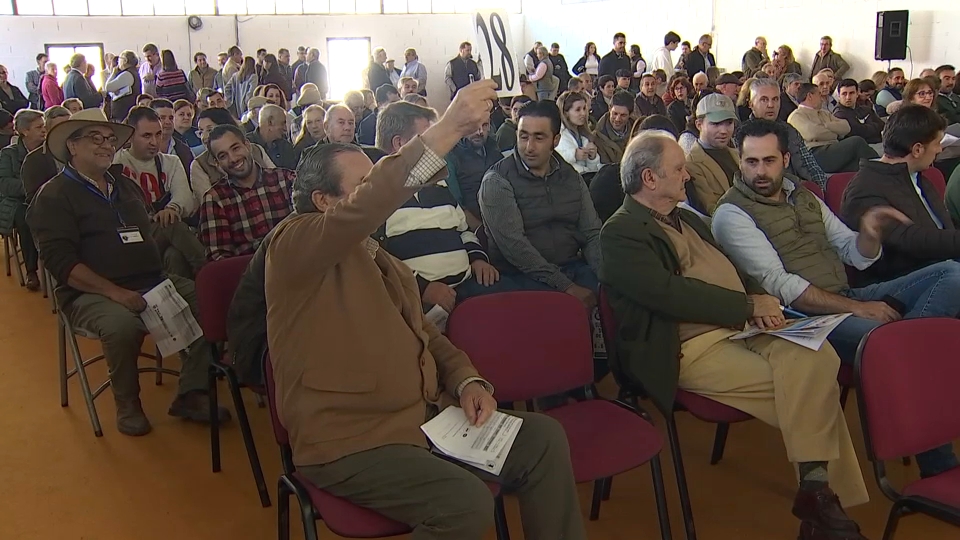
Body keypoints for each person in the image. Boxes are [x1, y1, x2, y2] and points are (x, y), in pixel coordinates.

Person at [265, 80, 585, 540]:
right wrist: (450, 125)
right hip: (349, 442)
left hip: (422, 418)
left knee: (543, 440)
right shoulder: (293, 245)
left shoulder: (375, 253)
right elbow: (378, 198)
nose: (376, 195)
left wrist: (467, 379)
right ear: (325, 202)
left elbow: (425, 333)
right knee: (465, 505)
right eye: (361, 187)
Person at [601, 130, 870, 540]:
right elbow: (666, 294)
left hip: (741, 328)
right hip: (687, 346)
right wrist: (747, 306)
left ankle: (817, 498)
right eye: (678, 169)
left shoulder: (687, 216)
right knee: (806, 390)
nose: (687, 176)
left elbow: (735, 266)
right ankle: (826, 517)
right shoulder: (620, 232)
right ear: (650, 179)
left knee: (821, 359)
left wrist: (760, 298)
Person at [712, 118, 960, 480]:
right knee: (902, 344)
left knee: (952, 272)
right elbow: (782, 286)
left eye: (768, 161)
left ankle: (901, 362)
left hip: (844, 295)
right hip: (800, 319)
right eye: (751, 162)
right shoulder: (730, 213)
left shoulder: (805, 196)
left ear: (785, 158)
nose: (760, 172)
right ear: (740, 160)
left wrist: (871, 231)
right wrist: (860, 308)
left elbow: (853, 252)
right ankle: (935, 461)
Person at [27, 108, 230, 436]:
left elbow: (146, 231)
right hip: (91, 293)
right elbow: (60, 263)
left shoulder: (124, 186)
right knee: (121, 325)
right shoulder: (53, 196)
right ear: (72, 146)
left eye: (110, 139)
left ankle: (192, 392)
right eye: (96, 138)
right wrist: (115, 292)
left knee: (212, 303)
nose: (107, 145)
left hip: (153, 281)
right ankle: (128, 404)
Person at [479, 100, 602, 309]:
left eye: (539, 137)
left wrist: (607, 276)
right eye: (523, 136)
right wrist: (566, 287)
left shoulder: (570, 176)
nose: (529, 147)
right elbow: (515, 248)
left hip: (573, 266)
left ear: (555, 140)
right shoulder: (497, 181)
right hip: (522, 278)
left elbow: (591, 233)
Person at [843, 105, 960, 283]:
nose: (940, 150)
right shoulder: (864, 189)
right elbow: (912, 241)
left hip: (943, 265)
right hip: (904, 282)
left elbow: (944, 228)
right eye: (937, 143)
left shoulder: (919, 177)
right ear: (917, 149)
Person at [114, 106, 204, 278]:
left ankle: (182, 300)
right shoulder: (117, 163)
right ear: (131, 136)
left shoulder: (171, 162)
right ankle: (209, 270)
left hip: (164, 233)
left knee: (174, 256)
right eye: (147, 136)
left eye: (158, 134)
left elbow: (184, 197)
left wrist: (172, 209)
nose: (154, 142)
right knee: (171, 225)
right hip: (133, 237)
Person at [198, 124, 294, 261]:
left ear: (248, 146)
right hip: (252, 275)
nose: (233, 159)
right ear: (217, 164)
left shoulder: (286, 179)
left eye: (235, 148)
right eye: (223, 156)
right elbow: (219, 260)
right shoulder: (215, 199)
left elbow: (310, 228)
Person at [748, 78, 828, 189]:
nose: (771, 105)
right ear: (751, 104)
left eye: (775, 99)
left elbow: (810, 164)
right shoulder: (745, 136)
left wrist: (821, 190)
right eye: (764, 100)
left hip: (801, 190)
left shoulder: (789, 130)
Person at [189, 107, 276, 207]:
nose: (204, 137)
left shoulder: (256, 150)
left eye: (209, 130)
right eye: (200, 132)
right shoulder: (199, 165)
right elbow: (211, 204)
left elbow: (275, 176)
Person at [787, 83, 877, 173]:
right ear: (810, 96)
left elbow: (846, 127)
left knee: (859, 165)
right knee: (857, 142)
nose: (822, 97)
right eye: (819, 94)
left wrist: (826, 125)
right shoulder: (796, 116)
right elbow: (814, 134)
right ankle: (882, 165)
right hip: (816, 155)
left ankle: (881, 173)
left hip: (833, 150)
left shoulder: (824, 113)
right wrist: (835, 133)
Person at [0, 109, 44, 290]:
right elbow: (4, 184)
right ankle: (31, 271)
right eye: (39, 127)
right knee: (26, 219)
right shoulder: (7, 154)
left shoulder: (48, 150)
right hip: (17, 201)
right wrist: (31, 186)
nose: (44, 130)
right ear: (25, 131)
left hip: (46, 197)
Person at [684, 94, 739, 214]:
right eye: (716, 124)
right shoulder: (691, 165)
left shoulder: (738, 154)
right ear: (699, 125)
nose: (724, 131)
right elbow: (710, 210)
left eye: (729, 123)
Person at [445, 115, 502, 228]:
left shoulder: (495, 151)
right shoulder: (452, 156)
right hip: (473, 226)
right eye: (473, 126)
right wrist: (480, 232)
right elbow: (457, 204)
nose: (479, 131)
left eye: (484, 125)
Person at [22, 106, 69, 203]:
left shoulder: (83, 152)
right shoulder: (34, 160)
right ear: (47, 130)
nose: (66, 131)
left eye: (68, 126)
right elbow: (34, 198)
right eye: (60, 127)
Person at [556, 91, 600, 176]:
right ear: (566, 113)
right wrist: (573, 154)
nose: (583, 113)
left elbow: (593, 171)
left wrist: (592, 158)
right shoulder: (560, 135)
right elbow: (557, 160)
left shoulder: (584, 136)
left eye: (584, 108)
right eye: (578, 110)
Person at [833, 79, 883, 144]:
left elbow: (882, 125)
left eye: (851, 93)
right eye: (844, 94)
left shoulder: (866, 109)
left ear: (857, 94)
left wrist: (866, 128)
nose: (848, 97)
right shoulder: (838, 114)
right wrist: (874, 127)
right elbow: (859, 133)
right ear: (839, 96)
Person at [593, 90, 633, 164]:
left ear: (630, 115)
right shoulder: (597, 137)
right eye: (615, 114)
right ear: (609, 109)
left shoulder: (638, 132)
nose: (618, 119)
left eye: (623, 115)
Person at [104, 51, 142, 122]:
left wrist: (113, 73)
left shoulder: (127, 74)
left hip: (123, 115)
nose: (118, 62)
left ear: (125, 61)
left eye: (120, 59)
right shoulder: (132, 72)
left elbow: (108, 87)